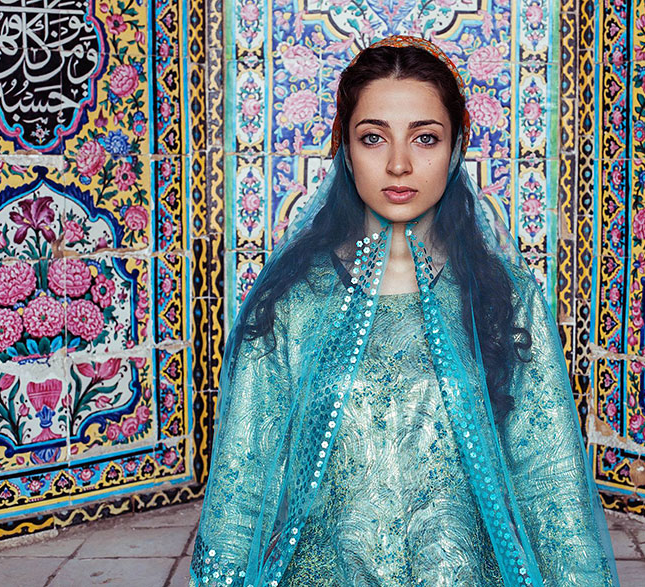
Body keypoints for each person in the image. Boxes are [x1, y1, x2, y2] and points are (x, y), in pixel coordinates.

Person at [190, 36, 618, 587]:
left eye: (425, 138)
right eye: (373, 138)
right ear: (344, 150)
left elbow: (549, 480)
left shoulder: (504, 299)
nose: (398, 163)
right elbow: (240, 482)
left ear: (457, 145)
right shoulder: (293, 302)